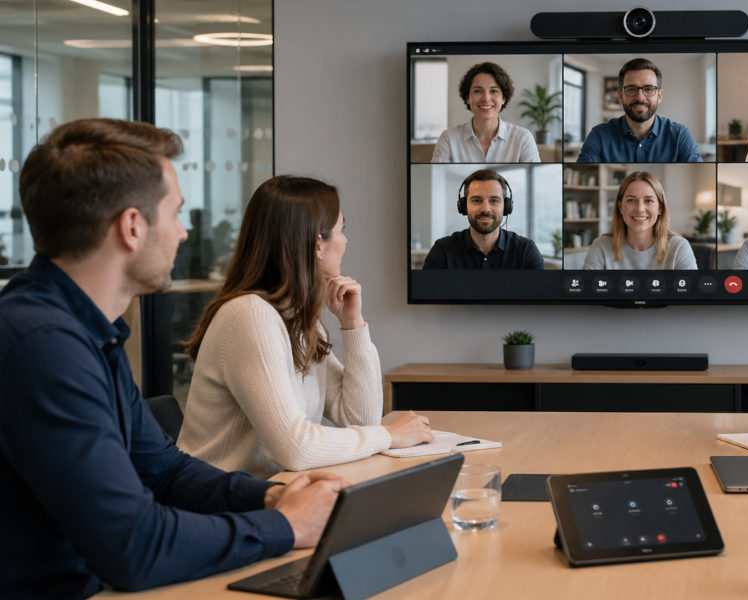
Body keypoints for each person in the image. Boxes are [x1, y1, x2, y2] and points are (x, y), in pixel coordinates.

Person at [0, 118, 345, 597]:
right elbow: (133, 547)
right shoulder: (43, 345)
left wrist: (274, 496)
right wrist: (286, 527)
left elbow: (165, 472)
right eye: (176, 214)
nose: (183, 234)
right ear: (132, 227)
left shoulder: (85, 330)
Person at [178, 176, 435, 479]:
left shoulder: (297, 320)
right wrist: (388, 435)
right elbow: (294, 449)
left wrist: (352, 324)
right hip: (218, 499)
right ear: (317, 245)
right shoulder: (250, 316)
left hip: (271, 490)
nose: (345, 241)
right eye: (341, 230)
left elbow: (361, 419)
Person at [577, 58, 703, 163]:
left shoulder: (680, 135)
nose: (640, 97)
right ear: (620, 96)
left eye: (648, 89)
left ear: (659, 96)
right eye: (631, 89)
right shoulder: (599, 136)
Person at [423, 169, 546, 270]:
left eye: (494, 201)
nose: (486, 209)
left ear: (506, 206)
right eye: (476, 200)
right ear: (464, 206)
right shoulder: (442, 250)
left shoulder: (526, 251)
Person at [583, 171, 697, 270]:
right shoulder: (601, 246)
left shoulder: (679, 247)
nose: (640, 209)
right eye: (631, 200)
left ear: (660, 208)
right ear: (620, 207)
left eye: (648, 201)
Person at [432, 61, 539, 163]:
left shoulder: (523, 138)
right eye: (478, 91)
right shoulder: (448, 138)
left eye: (494, 91)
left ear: (503, 98)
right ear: (467, 98)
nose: (486, 98)